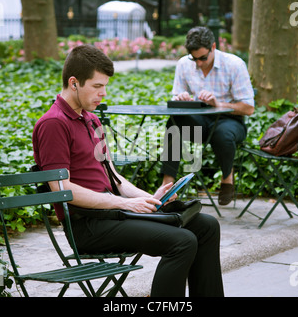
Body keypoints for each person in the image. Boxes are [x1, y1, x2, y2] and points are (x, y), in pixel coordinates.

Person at [32, 44, 224, 297]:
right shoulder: (53, 124)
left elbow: (115, 177)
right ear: (74, 82)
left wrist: (148, 198)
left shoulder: (92, 119)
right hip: (88, 225)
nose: (103, 93)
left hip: (113, 214)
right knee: (182, 241)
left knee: (206, 225)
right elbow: (61, 188)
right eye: (97, 86)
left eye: (105, 86)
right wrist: (121, 204)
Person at [160, 26, 255, 206]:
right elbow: (176, 95)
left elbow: (249, 108)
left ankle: (227, 178)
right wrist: (181, 98)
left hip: (230, 120)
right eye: (194, 58)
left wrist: (218, 104)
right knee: (174, 122)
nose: (199, 64)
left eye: (203, 58)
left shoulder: (234, 64)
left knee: (222, 134)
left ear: (213, 47)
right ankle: (167, 185)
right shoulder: (184, 64)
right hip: (199, 120)